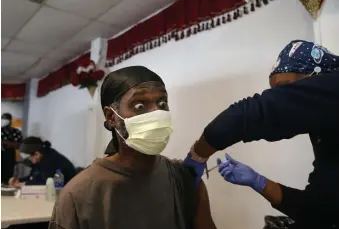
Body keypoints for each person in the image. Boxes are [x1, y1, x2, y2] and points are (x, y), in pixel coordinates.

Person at [184, 40, 339, 229]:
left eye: (286, 88)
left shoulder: (334, 86)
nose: (281, 97)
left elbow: (249, 114)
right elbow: (320, 209)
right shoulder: (327, 133)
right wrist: (259, 182)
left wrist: (198, 155)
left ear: (315, 79)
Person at [49, 66, 216, 229]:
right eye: (139, 106)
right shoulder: (77, 196)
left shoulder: (184, 179)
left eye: (162, 103)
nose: (156, 113)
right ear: (111, 117)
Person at [9, 136, 76, 186]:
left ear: (37, 154)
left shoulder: (51, 160)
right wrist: (18, 180)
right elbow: (34, 176)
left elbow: (47, 183)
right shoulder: (40, 157)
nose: (29, 161)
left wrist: (24, 184)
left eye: (29, 158)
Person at [1, 113, 23, 184]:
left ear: (10, 120)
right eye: (2, 119)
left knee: (8, 175)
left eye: (5, 119)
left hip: (9, 156)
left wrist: (5, 142)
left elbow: (19, 145)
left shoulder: (16, 132)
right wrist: (10, 144)